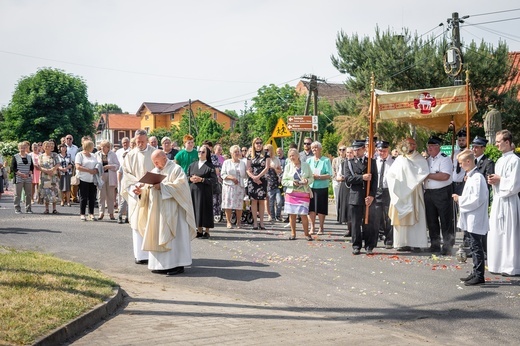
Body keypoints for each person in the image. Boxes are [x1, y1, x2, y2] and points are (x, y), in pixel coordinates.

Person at [132, 150, 197, 276]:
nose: (155, 164)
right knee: (157, 235)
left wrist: (163, 187)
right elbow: (147, 188)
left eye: (157, 161)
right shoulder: (155, 171)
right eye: (153, 162)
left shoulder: (176, 169)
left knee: (175, 238)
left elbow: (181, 187)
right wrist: (141, 192)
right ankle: (160, 265)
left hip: (174, 211)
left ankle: (177, 265)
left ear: (164, 157)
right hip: (157, 211)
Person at [452, 149, 489, 286]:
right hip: (471, 216)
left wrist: (459, 199)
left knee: (476, 246)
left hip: (476, 216)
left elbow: (477, 199)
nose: (460, 166)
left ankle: (479, 275)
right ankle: (475, 271)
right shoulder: (471, 176)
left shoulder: (477, 178)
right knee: (473, 246)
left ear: (468, 161)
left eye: (461, 163)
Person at [487, 130, 520, 276]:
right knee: (496, 232)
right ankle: (497, 264)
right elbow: (499, 181)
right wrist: (493, 181)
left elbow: (515, 184)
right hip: (499, 200)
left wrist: (500, 180)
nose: (496, 144)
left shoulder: (515, 160)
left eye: (499, 141)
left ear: (507, 142)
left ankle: (511, 266)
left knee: (509, 234)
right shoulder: (500, 160)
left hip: (509, 201)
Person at [387, 138, 429, 251]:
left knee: (417, 217)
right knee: (401, 220)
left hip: (413, 192)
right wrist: (398, 185)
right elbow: (390, 174)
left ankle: (416, 244)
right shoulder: (400, 159)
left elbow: (423, 173)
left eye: (414, 144)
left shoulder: (420, 159)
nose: (412, 146)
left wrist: (409, 179)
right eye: (410, 144)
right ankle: (401, 243)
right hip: (400, 193)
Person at [121, 129, 155, 265]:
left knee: (151, 222)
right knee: (136, 223)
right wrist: (137, 185)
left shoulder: (154, 153)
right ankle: (140, 255)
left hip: (151, 193)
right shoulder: (130, 155)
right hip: (136, 192)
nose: (139, 144)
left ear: (147, 140)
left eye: (142, 141)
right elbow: (126, 173)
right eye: (137, 141)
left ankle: (152, 253)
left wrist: (147, 184)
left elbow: (160, 170)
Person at [345, 139, 378, 255]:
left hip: (367, 196)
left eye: (358, 149)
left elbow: (374, 181)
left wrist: (372, 196)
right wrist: (362, 177)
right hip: (355, 197)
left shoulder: (371, 162)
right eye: (354, 150)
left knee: (368, 222)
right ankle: (356, 245)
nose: (356, 152)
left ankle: (369, 245)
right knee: (355, 223)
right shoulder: (349, 162)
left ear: (364, 149)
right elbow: (348, 179)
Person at [424, 135, 454, 255]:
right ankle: (434, 244)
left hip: (442, 192)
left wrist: (427, 175)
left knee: (445, 220)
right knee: (431, 220)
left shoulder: (444, 159)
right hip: (429, 193)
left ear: (438, 146)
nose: (429, 148)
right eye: (428, 146)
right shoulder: (427, 160)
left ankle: (447, 246)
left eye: (432, 146)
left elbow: (444, 176)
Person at [282, 148, 314, 241]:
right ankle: (293, 233)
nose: (292, 157)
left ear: (298, 156)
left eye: (293, 155)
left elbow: (311, 178)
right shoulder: (288, 166)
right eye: (290, 156)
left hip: (303, 193)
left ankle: (307, 234)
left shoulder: (306, 165)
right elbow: (283, 181)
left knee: (303, 214)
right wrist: (292, 183)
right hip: (291, 194)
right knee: (292, 215)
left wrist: (307, 181)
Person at [188, 145, 218, 239]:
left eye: (203, 152)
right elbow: (186, 176)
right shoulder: (192, 165)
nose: (200, 153)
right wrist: (191, 178)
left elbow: (214, 180)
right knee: (196, 210)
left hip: (205, 192)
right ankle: (199, 230)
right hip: (194, 191)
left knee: (205, 210)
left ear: (207, 154)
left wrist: (201, 180)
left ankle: (207, 231)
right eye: (199, 152)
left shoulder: (210, 166)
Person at [368, 141, 394, 248]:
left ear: (388, 150)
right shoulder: (374, 161)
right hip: (376, 191)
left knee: (389, 217)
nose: (382, 153)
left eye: (384, 151)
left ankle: (389, 239)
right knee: (375, 217)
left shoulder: (393, 161)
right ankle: (373, 241)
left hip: (388, 191)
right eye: (380, 151)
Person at [307, 141, 332, 235]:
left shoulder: (326, 160)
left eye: (316, 147)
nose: (314, 149)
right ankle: (312, 227)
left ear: (320, 149)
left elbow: (329, 174)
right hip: (311, 187)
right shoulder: (309, 160)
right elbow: (306, 172)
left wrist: (319, 177)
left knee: (321, 208)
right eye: (313, 147)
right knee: (311, 208)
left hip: (322, 187)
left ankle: (321, 227)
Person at [246, 137, 271, 230]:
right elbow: (247, 168)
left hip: (262, 179)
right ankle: (255, 223)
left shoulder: (266, 154)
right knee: (254, 201)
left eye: (260, 143)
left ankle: (262, 223)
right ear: (254, 144)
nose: (259, 144)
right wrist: (254, 177)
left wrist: (258, 177)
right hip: (252, 180)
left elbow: (267, 167)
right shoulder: (250, 155)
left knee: (261, 201)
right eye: (257, 143)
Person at [221, 145, 247, 229]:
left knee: (239, 205)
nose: (237, 153)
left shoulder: (243, 163)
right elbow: (223, 174)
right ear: (231, 153)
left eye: (238, 151)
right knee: (228, 205)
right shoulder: (226, 162)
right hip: (229, 186)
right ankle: (228, 222)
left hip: (239, 186)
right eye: (235, 152)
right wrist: (231, 178)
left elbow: (245, 175)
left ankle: (239, 222)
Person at [75, 140, 99, 221]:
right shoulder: (80, 155)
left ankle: (91, 213)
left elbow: (97, 164)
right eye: (92, 146)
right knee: (83, 197)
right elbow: (78, 166)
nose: (93, 148)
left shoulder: (93, 155)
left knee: (92, 197)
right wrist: (89, 170)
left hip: (93, 179)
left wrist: (96, 169)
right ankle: (82, 213)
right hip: (83, 179)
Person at [95, 140, 120, 220]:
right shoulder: (97, 154)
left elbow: (117, 166)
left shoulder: (113, 154)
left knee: (110, 195)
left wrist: (109, 166)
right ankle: (101, 212)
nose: (102, 148)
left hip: (110, 175)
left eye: (104, 147)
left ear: (108, 147)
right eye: (101, 146)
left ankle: (111, 213)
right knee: (101, 195)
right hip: (101, 176)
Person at [38, 141, 61, 214]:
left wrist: (52, 170)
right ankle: (46, 208)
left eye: (49, 146)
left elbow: (58, 164)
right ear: (44, 147)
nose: (48, 147)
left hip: (53, 176)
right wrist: (47, 171)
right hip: (44, 177)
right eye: (46, 146)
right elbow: (39, 166)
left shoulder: (55, 155)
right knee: (45, 192)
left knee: (53, 192)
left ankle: (54, 209)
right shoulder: (41, 156)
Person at [11, 142, 34, 214]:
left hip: (27, 178)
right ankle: (17, 208)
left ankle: (28, 208)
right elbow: (13, 167)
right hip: (18, 178)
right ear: (19, 148)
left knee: (28, 194)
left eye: (24, 147)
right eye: (21, 148)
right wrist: (20, 174)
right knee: (17, 194)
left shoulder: (29, 157)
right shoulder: (15, 156)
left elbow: (31, 167)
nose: (23, 149)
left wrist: (29, 173)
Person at [265, 144, 283, 222]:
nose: (266, 151)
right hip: (267, 182)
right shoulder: (264, 159)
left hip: (276, 182)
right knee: (270, 201)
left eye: (268, 150)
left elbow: (280, 170)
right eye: (265, 150)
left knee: (279, 201)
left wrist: (274, 168)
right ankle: (271, 216)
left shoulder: (276, 159)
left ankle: (278, 215)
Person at [338, 147, 354, 235]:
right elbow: (338, 177)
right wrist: (342, 178)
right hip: (345, 186)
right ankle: (349, 229)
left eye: (351, 152)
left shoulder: (357, 162)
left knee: (353, 208)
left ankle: (355, 229)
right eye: (347, 152)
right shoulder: (343, 164)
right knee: (347, 208)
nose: (349, 154)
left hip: (354, 186)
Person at [332, 144, 346, 221]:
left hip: (345, 181)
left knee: (344, 198)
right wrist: (337, 178)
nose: (342, 151)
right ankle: (338, 214)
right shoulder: (335, 160)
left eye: (343, 149)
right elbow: (333, 170)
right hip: (336, 181)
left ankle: (344, 215)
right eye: (340, 150)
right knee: (337, 198)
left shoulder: (348, 159)